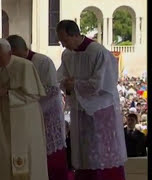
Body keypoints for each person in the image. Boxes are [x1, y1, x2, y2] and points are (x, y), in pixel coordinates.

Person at [56, 20, 127, 180]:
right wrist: (66, 85)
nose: (63, 45)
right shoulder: (67, 54)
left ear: (75, 34)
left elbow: (102, 84)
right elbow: (61, 77)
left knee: (102, 152)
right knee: (84, 151)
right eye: (61, 41)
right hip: (80, 111)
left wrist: (75, 84)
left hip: (101, 110)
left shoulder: (98, 52)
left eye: (65, 40)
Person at [0, 39, 48, 180]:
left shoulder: (25, 66)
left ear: (9, 53)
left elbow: (34, 94)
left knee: (29, 156)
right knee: (4, 155)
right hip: (4, 118)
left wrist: (7, 93)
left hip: (25, 118)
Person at [7, 35, 68, 180]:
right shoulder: (13, 65)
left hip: (48, 116)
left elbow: (52, 92)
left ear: (17, 50)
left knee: (51, 160)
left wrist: (31, 106)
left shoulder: (43, 62)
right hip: (25, 118)